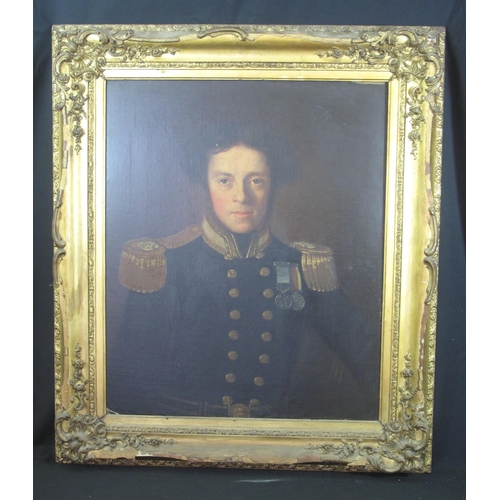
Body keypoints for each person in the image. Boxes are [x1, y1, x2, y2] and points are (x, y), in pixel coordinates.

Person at [106, 125, 380, 419]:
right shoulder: (167, 264)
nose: (242, 196)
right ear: (205, 184)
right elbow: (128, 387)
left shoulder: (299, 264)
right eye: (225, 180)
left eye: (256, 181)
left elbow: (366, 354)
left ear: (272, 185)